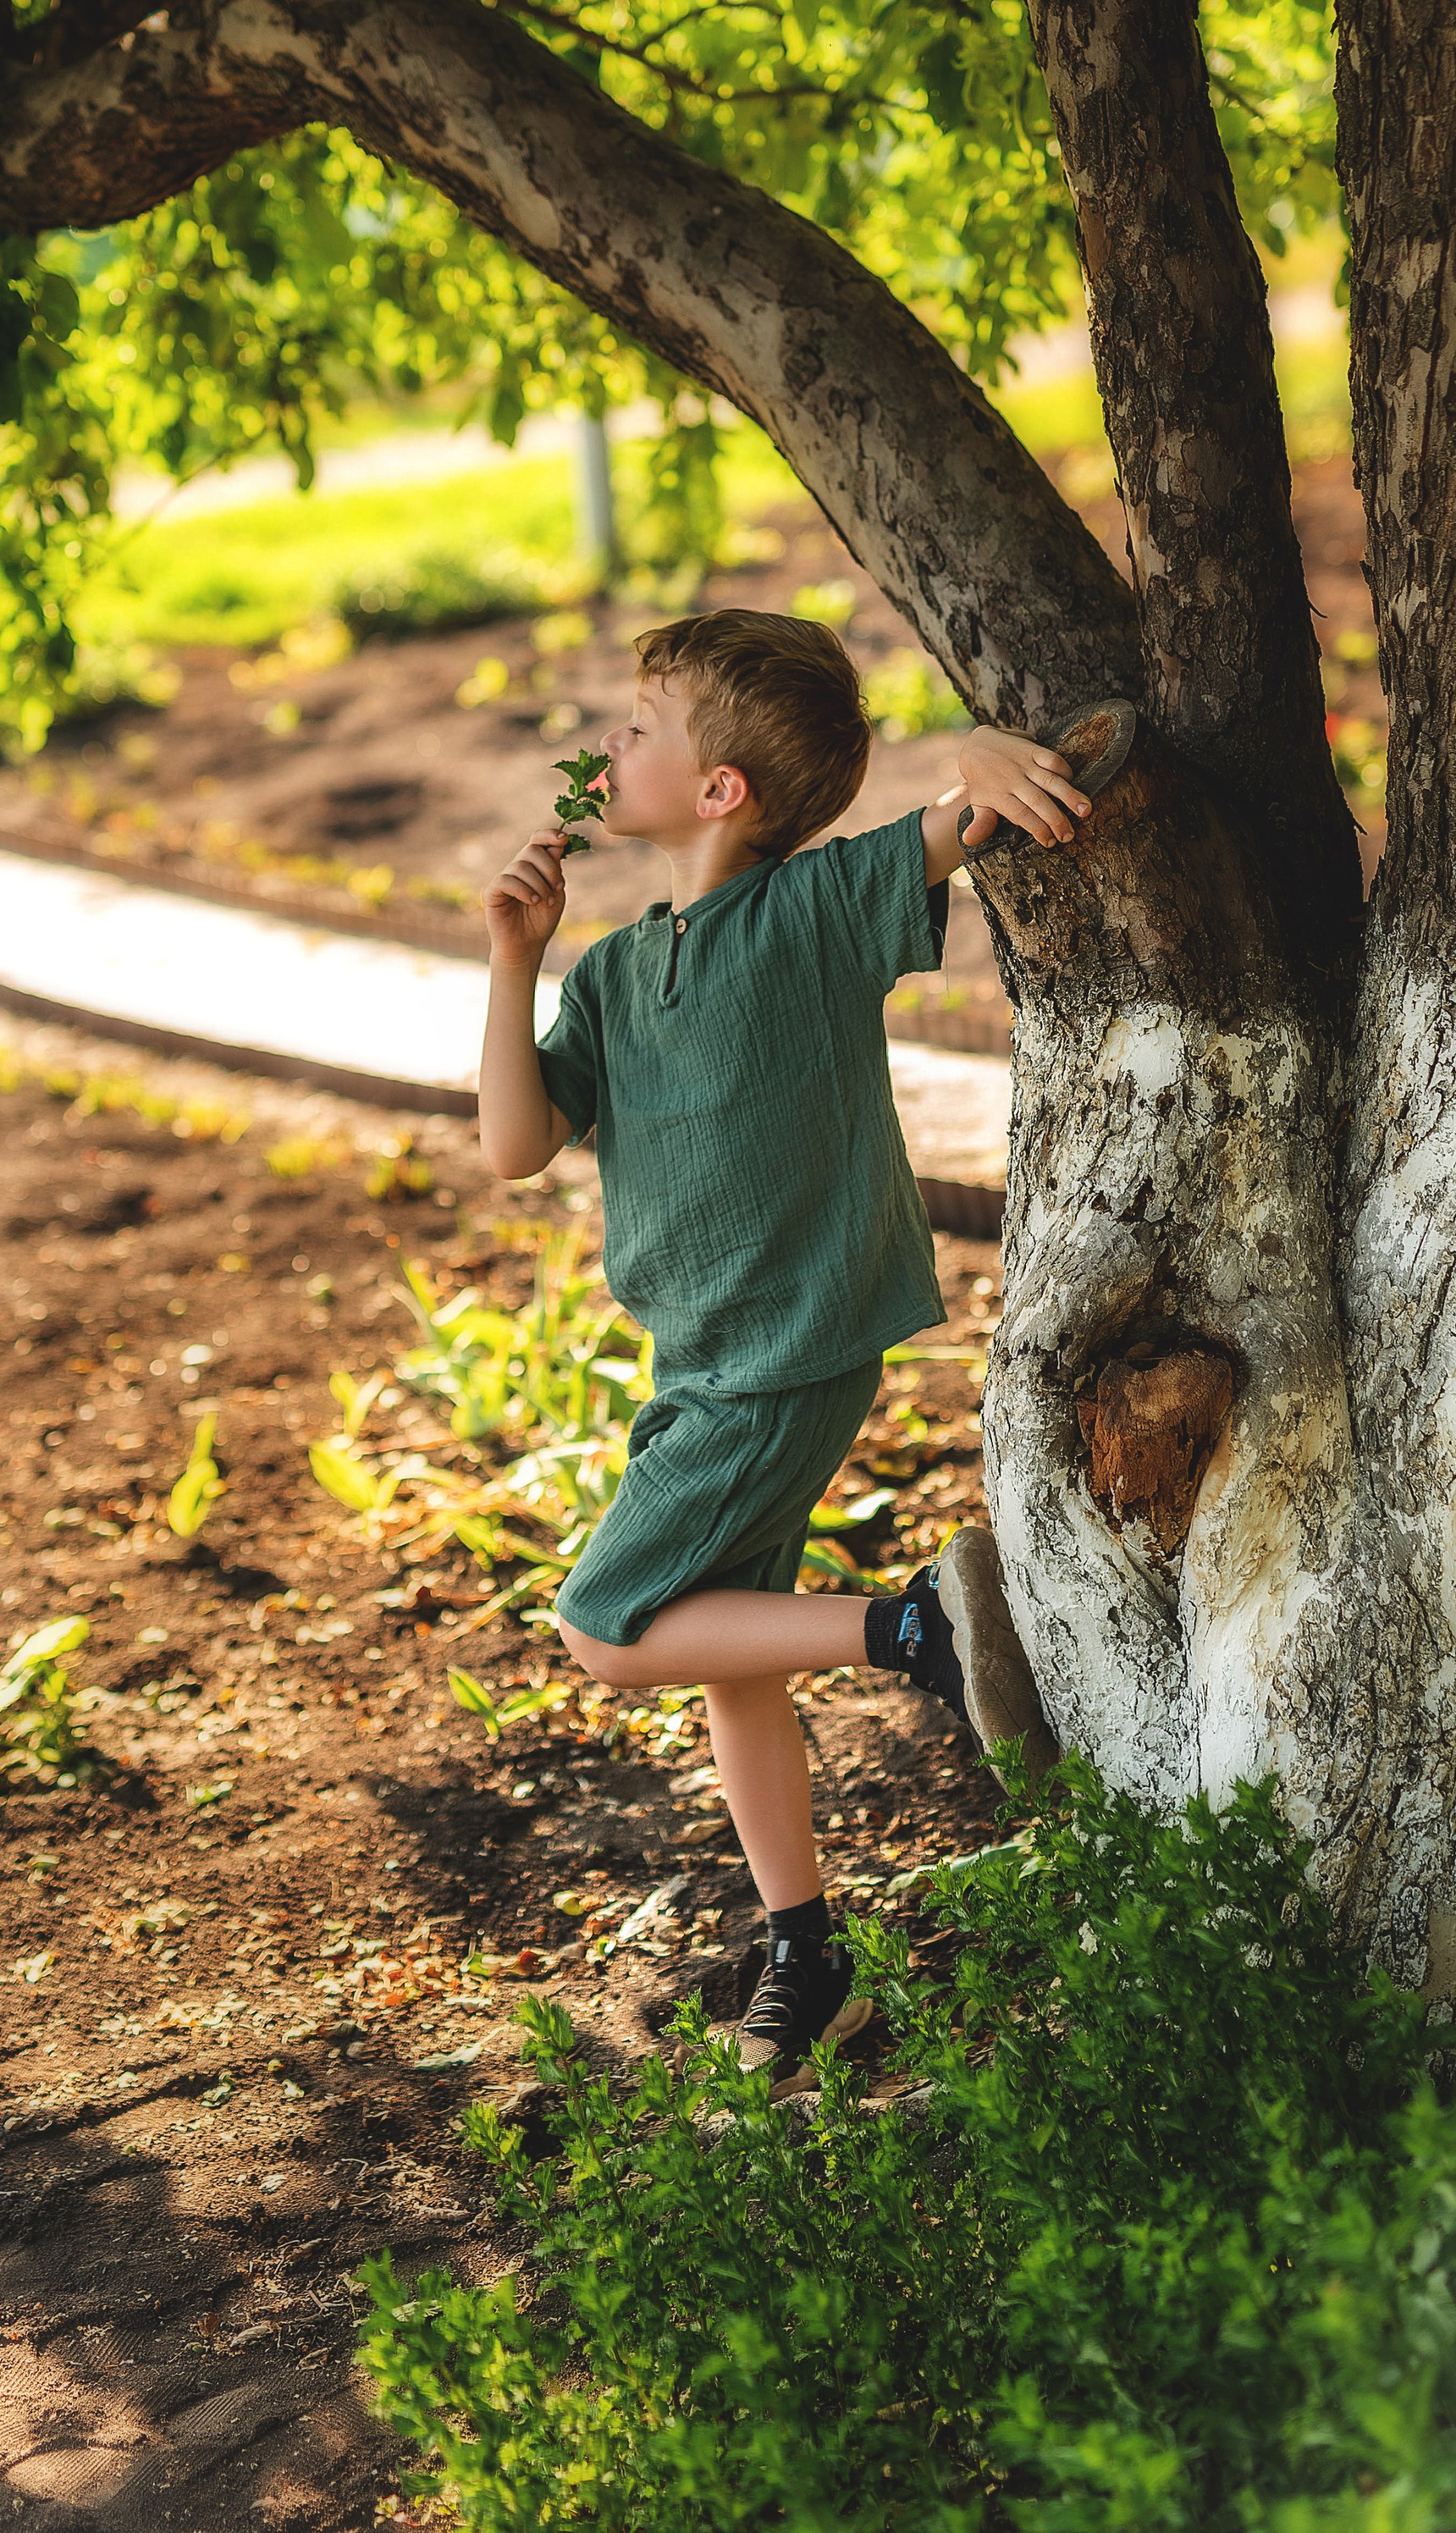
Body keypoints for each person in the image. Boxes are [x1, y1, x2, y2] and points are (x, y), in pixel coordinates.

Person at [478, 607, 1091, 2078]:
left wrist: (973, 753)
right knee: (725, 1661)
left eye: (638, 724)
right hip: (702, 1362)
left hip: (785, 1349)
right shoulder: (615, 975)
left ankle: (922, 1633)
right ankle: (808, 1956)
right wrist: (513, 956)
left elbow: (962, 822)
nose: (604, 743)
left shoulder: (806, 915)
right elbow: (513, 1143)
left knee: (603, 1624)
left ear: (718, 791)